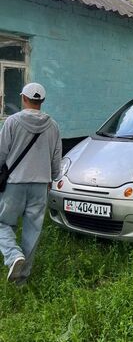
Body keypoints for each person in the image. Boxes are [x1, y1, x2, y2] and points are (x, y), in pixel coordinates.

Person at [0, 82, 61, 285]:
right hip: (41, 185)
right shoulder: (53, 126)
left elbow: (1, 153)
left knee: (2, 223)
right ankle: (21, 279)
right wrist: (52, 178)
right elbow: (56, 157)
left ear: (24, 99)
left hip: (15, 183)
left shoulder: (12, 122)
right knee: (32, 230)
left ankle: (12, 255)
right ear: (41, 101)